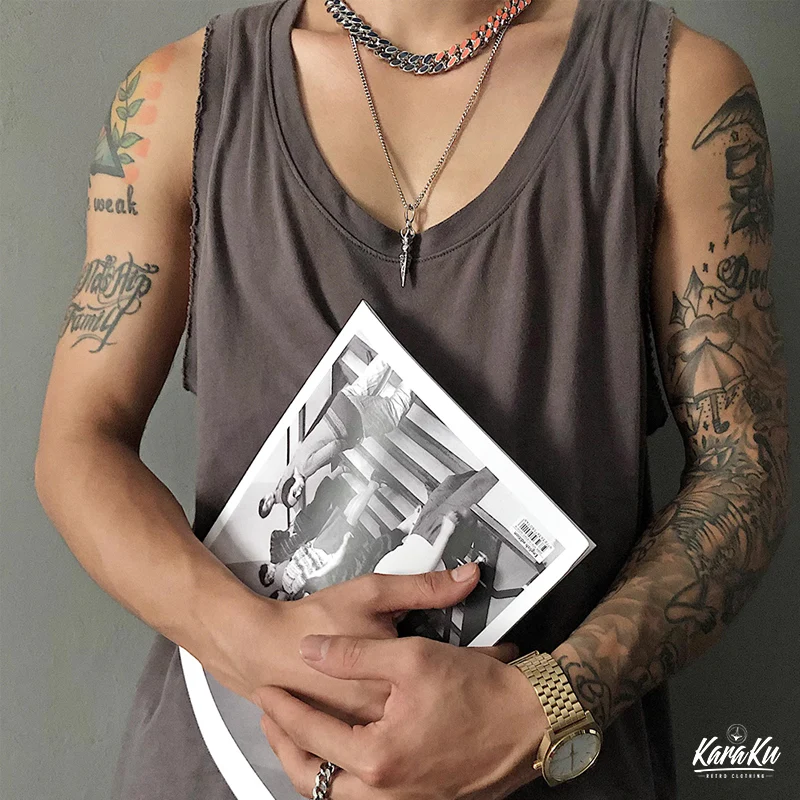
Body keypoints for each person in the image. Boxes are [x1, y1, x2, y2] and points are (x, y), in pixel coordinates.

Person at [34, 1, 788, 799]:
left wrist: (544, 704)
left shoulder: (680, 89)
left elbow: (745, 468)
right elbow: (77, 443)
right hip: (225, 765)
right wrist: (252, 642)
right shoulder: (176, 97)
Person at [259, 356, 414, 516]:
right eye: (298, 497)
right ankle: (390, 352)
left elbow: (335, 446)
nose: (299, 493)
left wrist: (352, 443)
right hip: (339, 404)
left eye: (294, 493)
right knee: (372, 378)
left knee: (393, 413)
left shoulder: (304, 470)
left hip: (349, 420)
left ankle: (415, 371)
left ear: (288, 487)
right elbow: (297, 455)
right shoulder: (294, 465)